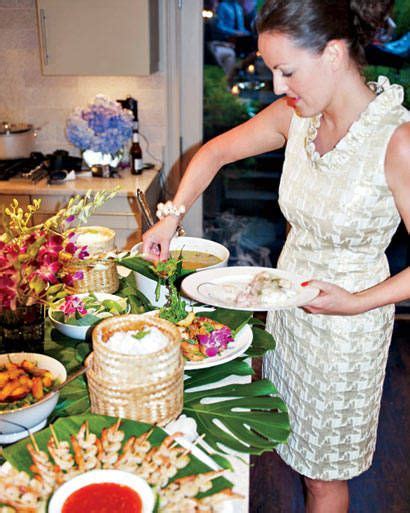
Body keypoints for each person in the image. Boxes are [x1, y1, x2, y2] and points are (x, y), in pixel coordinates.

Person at [143, 0, 410, 511]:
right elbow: (216, 151)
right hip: (289, 312)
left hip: (347, 328)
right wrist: (172, 214)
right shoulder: (298, 118)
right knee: (290, 446)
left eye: (287, 71)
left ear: (333, 54)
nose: (277, 87)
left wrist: (355, 302)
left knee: (324, 476)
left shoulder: (395, 141)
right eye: (272, 71)